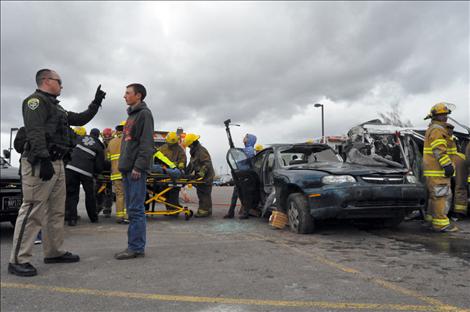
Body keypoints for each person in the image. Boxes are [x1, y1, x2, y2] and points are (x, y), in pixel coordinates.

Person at [8, 68, 105, 277]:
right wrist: (43, 159)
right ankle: (18, 259)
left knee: (56, 210)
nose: (62, 85)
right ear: (46, 81)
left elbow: (80, 119)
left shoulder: (56, 108)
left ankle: (54, 252)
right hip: (40, 161)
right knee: (33, 210)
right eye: (59, 81)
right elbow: (34, 132)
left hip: (58, 162)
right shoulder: (35, 102)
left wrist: (95, 103)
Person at [114, 83, 154, 260]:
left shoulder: (144, 114)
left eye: (128, 93)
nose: (124, 96)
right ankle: (134, 246)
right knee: (132, 209)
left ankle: (136, 247)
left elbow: (146, 144)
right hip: (127, 169)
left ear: (138, 96)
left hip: (135, 170)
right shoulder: (132, 115)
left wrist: (138, 166)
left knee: (136, 209)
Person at [422, 102, 458, 232]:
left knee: (434, 196)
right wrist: (447, 165)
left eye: (446, 114)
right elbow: (439, 149)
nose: (445, 117)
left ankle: (431, 220)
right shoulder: (437, 130)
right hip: (439, 170)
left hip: (434, 171)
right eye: (442, 115)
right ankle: (441, 224)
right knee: (442, 196)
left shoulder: (435, 128)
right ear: (436, 117)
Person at [65, 128, 105, 225]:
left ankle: (71, 219)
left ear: (90, 133)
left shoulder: (80, 138)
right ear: (98, 135)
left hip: (71, 168)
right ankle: (93, 218)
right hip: (86, 172)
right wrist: (96, 173)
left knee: (72, 194)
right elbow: (99, 166)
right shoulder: (99, 147)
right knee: (90, 195)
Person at [224, 133, 257, 219]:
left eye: (246, 137)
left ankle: (245, 213)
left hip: (245, 176)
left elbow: (242, 160)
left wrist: (235, 152)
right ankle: (231, 212)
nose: (244, 138)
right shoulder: (245, 150)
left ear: (250, 139)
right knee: (236, 195)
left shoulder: (250, 150)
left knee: (245, 195)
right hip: (239, 175)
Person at [152, 131, 187, 211]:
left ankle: (174, 210)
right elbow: (157, 158)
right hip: (164, 173)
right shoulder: (163, 148)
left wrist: (180, 164)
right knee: (166, 194)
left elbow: (183, 160)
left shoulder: (179, 150)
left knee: (173, 193)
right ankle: (170, 209)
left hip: (173, 173)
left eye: (172, 144)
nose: (170, 145)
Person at [184, 133, 215, 218]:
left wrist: (201, 174)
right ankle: (206, 210)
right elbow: (191, 165)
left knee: (204, 194)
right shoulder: (194, 152)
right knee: (201, 193)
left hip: (206, 177)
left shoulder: (201, 151)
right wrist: (185, 173)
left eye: (189, 146)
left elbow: (206, 163)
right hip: (201, 177)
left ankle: (205, 211)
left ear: (192, 143)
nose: (189, 147)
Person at [106, 121, 128, 223]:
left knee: (119, 195)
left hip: (115, 173)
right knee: (128, 195)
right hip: (127, 172)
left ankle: (119, 217)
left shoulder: (111, 142)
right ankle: (127, 216)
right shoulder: (128, 140)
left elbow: (107, 158)